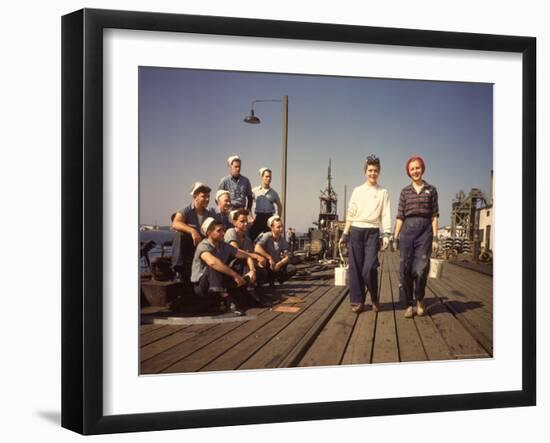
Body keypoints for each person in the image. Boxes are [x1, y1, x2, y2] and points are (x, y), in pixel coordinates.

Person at [339, 155, 391, 314]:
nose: (372, 173)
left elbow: (386, 214)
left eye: (375, 171)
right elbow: (351, 213)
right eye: (370, 170)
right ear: (365, 172)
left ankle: (374, 297)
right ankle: (357, 300)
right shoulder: (357, 191)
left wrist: (387, 233)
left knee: (369, 267)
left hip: (373, 232)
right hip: (355, 230)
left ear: (379, 172)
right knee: (355, 268)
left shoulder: (383, 192)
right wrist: (345, 234)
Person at [393, 156, 439, 319]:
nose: (415, 171)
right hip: (407, 232)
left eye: (417, 168)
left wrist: (435, 238)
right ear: (408, 172)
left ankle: (419, 299)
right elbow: (400, 216)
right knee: (405, 268)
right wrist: (394, 237)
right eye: (412, 169)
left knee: (421, 269)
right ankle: (408, 304)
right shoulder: (404, 191)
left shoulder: (431, 190)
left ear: (422, 169)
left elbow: (434, 215)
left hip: (425, 232)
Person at [190, 217, 252, 316]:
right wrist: (235, 275)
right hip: (202, 286)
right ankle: (226, 300)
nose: (223, 233)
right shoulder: (203, 245)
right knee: (214, 265)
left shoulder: (224, 245)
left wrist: (252, 270)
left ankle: (244, 289)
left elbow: (244, 255)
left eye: (223, 230)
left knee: (241, 263)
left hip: (219, 282)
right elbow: (212, 262)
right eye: (219, 231)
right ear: (209, 233)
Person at [170, 182, 216, 288]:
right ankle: (178, 270)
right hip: (190, 245)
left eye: (208, 196)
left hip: (203, 245)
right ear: (195, 196)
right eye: (203, 196)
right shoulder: (185, 210)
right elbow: (176, 223)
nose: (207, 199)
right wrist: (192, 231)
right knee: (180, 234)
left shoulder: (211, 213)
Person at [225, 209, 271, 306]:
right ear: (234, 222)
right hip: (229, 266)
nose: (245, 224)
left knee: (262, 268)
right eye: (242, 221)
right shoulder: (231, 232)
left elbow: (248, 254)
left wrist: (256, 265)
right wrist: (254, 256)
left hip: (242, 264)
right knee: (243, 263)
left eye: (246, 221)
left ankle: (253, 291)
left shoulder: (247, 238)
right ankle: (251, 293)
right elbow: (236, 251)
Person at [254, 215, 297, 285]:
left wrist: (279, 264)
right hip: (266, 264)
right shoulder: (266, 236)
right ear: (272, 227)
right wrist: (269, 258)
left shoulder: (282, 240)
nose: (281, 229)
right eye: (278, 227)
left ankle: (276, 279)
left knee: (291, 269)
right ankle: (263, 281)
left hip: (275, 265)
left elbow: (287, 256)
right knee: (262, 272)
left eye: (282, 226)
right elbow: (257, 248)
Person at [250, 167, 282, 242]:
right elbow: (249, 203)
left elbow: (279, 206)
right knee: (251, 236)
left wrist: (277, 218)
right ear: (262, 177)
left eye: (270, 177)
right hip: (259, 217)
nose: (268, 179)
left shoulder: (273, 193)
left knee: (270, 239)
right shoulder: (254, 191)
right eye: (266, 176)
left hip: (269, 217)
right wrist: (250, 217)